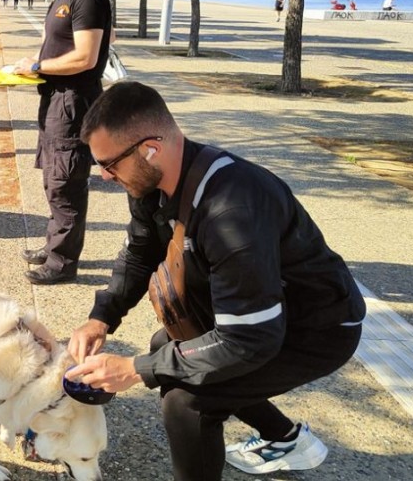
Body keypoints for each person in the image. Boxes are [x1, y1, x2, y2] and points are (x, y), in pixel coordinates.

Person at [64, 82, 366, 481]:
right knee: (165, 348)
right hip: (261, 314)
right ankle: (287, 439)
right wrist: (101, 317)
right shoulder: (150, 182)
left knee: (188, 400)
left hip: (314, 330)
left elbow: (248, 340)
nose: (104, 176)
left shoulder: (231, 210)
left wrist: (136, 370)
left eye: (109, 164)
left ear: (150, 148)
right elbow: (139, 253)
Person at [12, 0, 112, 285]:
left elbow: (86, 57)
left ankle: (62, 263)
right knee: (53, 181)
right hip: (55, 97)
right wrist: (33, 68)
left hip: (73, 103)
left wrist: (39, 64)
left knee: (65, 182)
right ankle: (55, 245)